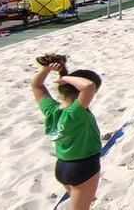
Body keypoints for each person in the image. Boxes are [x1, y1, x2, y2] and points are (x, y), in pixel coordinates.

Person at [30, 54, 102, 210]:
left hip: (62, 167)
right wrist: (66, 78)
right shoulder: (76, 111)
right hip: (84, 167)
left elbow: (36, 85)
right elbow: (89, 86)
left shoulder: (51, 110)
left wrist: (47, 69)